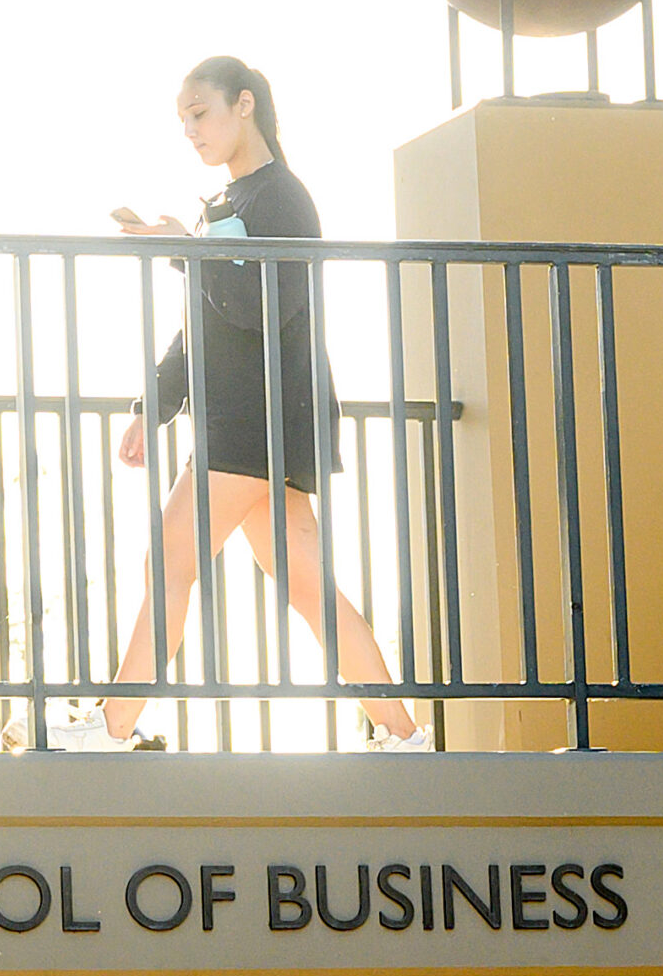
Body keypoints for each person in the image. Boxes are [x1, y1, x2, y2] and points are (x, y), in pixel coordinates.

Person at [69, 56, 425, 750]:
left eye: (199, 114)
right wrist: (155, 401)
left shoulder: (282, 199)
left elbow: (263, 309)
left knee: (168, 561)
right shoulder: (229, 204)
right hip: (261, 424)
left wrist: (187, 252)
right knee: (310, 588)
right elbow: (207, 320)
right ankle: (403, 733)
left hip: (257, 423)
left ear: (244, 105)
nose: (190, 131)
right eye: (182, 121)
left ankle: (112, 727)